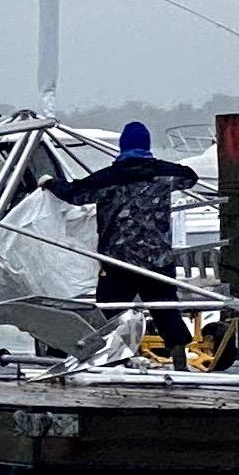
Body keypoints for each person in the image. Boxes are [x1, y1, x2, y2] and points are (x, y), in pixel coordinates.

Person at [54, 120, 202, 359]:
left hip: (118, 261)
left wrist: (50, 183)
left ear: (123, 146)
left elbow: (75, 194)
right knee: (164, 308)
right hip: (157, 259)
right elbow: (189, 177)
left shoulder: (109, 178)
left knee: (110, 312)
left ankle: (108, 358)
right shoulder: (164, 174)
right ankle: (179, 356)